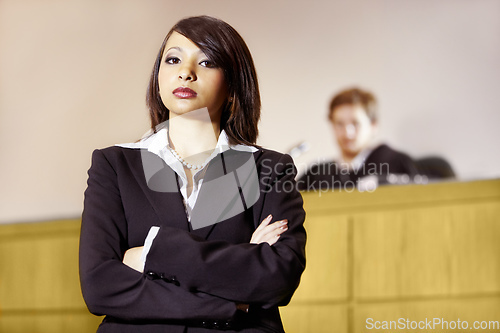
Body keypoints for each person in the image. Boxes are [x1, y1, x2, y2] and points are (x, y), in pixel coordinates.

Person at [79, 16, 306, 333]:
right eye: (173, 59)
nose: (185, 72)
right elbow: (99, 286)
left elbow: (277, 279)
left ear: (232, 87)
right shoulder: (114, 164)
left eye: (207, 61)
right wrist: (230, 295)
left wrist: (150, 255)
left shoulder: (269, 168)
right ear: (159, 77)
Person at [297, 87, 418, 191]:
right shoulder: (316, 175)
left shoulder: (395, 165)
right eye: (339, 124)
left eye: (355, 123)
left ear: (373, 125)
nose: (347, 133)